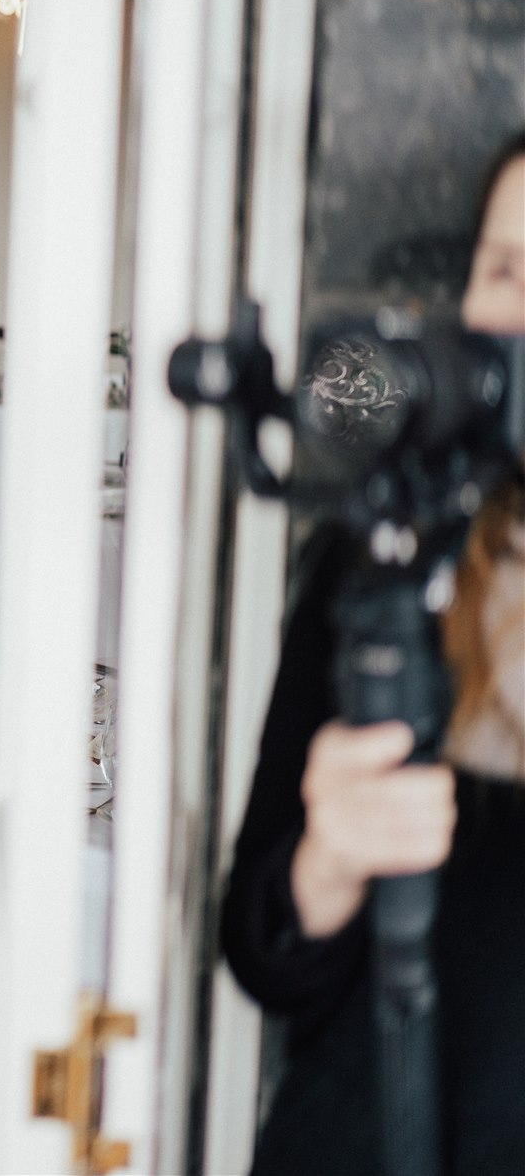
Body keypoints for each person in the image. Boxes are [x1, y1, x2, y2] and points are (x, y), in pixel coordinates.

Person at [222, 130, 525, 1173]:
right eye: (502, 270)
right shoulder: (387, 550)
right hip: (358, 1133)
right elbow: (261, 950)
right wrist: (328, 862)